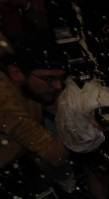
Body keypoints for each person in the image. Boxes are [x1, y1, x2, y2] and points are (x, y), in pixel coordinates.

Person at [0, 42, 68, 170]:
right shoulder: (4, 99)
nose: (58, 86)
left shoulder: (25, 86)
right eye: (49, 79)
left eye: (61, 78)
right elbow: (55, 156)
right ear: (16, 73)